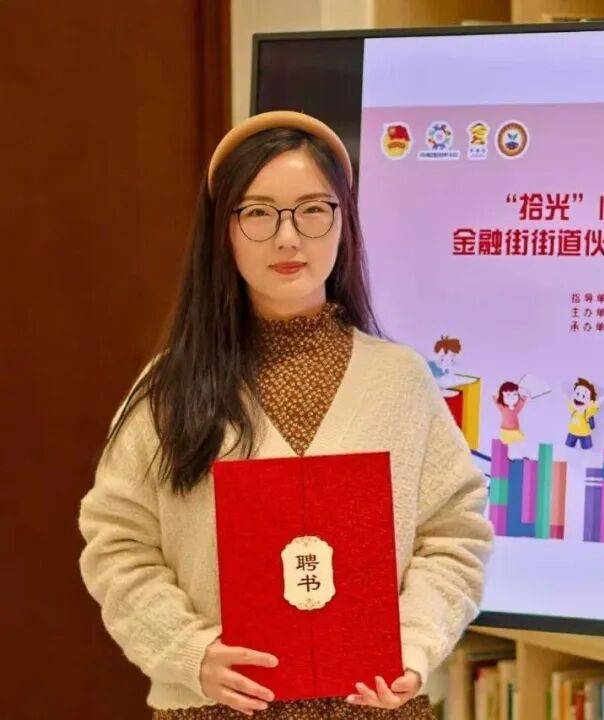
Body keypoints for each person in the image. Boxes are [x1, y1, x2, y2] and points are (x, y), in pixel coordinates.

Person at [77, 111, 494, 719]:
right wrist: (188, 651)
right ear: (223, 230)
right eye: (258, 212)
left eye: (313, 210)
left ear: (344, 222)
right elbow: (117, 542)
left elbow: (454, 534)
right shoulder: (171, 388)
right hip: (213, 709)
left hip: (372, 706)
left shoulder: (399, 380)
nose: (289, 237)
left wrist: (412, 643)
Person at [493, 380, 528, 445]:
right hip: (505, 430)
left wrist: (521, 391)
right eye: (508, 395)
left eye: (515, 394)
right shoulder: (503, 407)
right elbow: (495, 398)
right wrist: (498, 393)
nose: (512, 397)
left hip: (515, 430)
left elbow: (523, 399)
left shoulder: (516, 408)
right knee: (505, 442)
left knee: (520, 441)